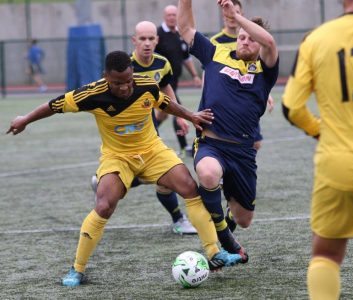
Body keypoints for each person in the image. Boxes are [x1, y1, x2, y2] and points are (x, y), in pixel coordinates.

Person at [7, 50, 243, 286]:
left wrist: (190, 116)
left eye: (128, 81)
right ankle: (77, 269)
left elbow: (165, 103)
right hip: (117, 157)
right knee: (104, 205)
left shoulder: (146, 85)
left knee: (190, 188)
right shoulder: (90, 94)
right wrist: (25, 119)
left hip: (152, 150)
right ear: (105, 77)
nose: (125, 87)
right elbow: (54, 105)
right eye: (118, 83)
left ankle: (214, 253)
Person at [282, 0, 353, 299]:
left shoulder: (316, 39)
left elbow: (292, 107)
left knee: (325, 255)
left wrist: (319, 130)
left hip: (337, 165)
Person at [178, 0, 279, 261]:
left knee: (244, 219)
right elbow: (186, 27)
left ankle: (229, 223)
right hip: (212, 143)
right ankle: (224, 239)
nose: (245, 41)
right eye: (242, 37)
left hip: (244, 152)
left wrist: (236, 16)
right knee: (208, 174)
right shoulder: (216, 54)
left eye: (250, 39)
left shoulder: (265, 70)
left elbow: (268, 42)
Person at [90, 21, 196, 235]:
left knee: (162, 175)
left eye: (151, 38)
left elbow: (166, 87)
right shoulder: (124, 67)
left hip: (150, 123)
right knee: (160, 175)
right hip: (129, 131)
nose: (147, 43)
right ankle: (178, 218)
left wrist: (180, 116)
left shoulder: (162, 63)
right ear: (134, 40)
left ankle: (178, 219)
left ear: (157, 40)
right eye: (142, 39)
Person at [210, 0, 274, 152]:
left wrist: (267, 92)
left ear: (241, 15)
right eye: (230, 12)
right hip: (225, 97)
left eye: (236, 13)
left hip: (248, 95)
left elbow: (261, 68)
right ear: (224, 13)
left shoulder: (253, 39)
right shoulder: (216, 41)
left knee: (256, 142)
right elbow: (210, 72)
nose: (232, 17)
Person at [155, 4, 202, 157]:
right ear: (164, 16)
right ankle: (184, 146)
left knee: (162, 115)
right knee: (178, 110)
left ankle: (150, 133)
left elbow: (186, 58)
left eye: (174, 15)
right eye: (169, 15)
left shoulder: (180, 34)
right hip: (162, 84)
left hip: (173, 82)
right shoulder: (157, 34)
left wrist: (195, 75)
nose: (172, 18)